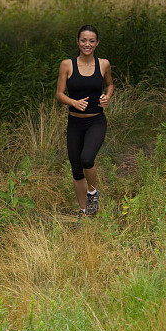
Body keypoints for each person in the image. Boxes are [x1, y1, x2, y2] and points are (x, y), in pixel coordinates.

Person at [55, 24, 114, 220]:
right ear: (77, 42)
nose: (86, 44)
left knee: (87, 158)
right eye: (83, 40)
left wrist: (107, 96)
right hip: (74, 124)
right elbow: (59, 94)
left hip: (96, 121)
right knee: (76, 169)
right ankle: (84, 212)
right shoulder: (67, 65)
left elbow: (110, 84)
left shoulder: (103, 64)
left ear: (97, 43)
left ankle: (92, 193)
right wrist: (73, 102)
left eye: (91, 41)